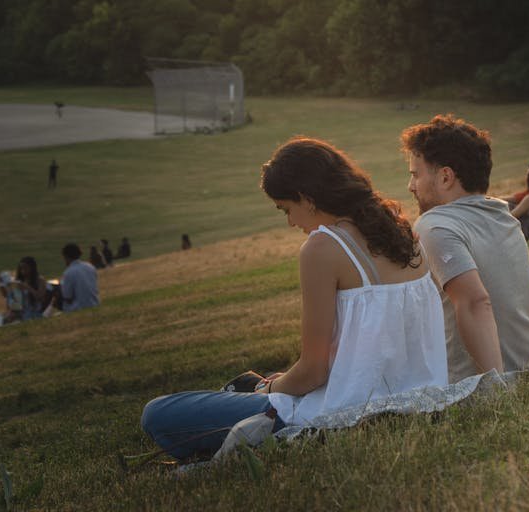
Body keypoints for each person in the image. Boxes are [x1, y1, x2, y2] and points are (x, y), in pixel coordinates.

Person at [141, 137, 448, 461]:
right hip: (419, 401)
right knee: (255, 385)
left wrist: (269, 390)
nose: (291, 222)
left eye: (287, 209)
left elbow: (314, 372)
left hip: (341, 412)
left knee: (159, 412)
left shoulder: (323, 247)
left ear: (306, 198)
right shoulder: (405, 234)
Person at [402, 113, 529, 384]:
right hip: (525, 367)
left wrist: (493, 388)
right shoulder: (504, 217)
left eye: (415, 175)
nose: (410, 186)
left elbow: (475, 302)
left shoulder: (435, 225)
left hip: (476, 381)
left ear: (445, 177)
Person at [57, 243, 99, 312]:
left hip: (77, 308)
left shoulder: (69, 272)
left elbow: (67, 297)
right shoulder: (90, 267)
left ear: (66, 256)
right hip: (94, 303)